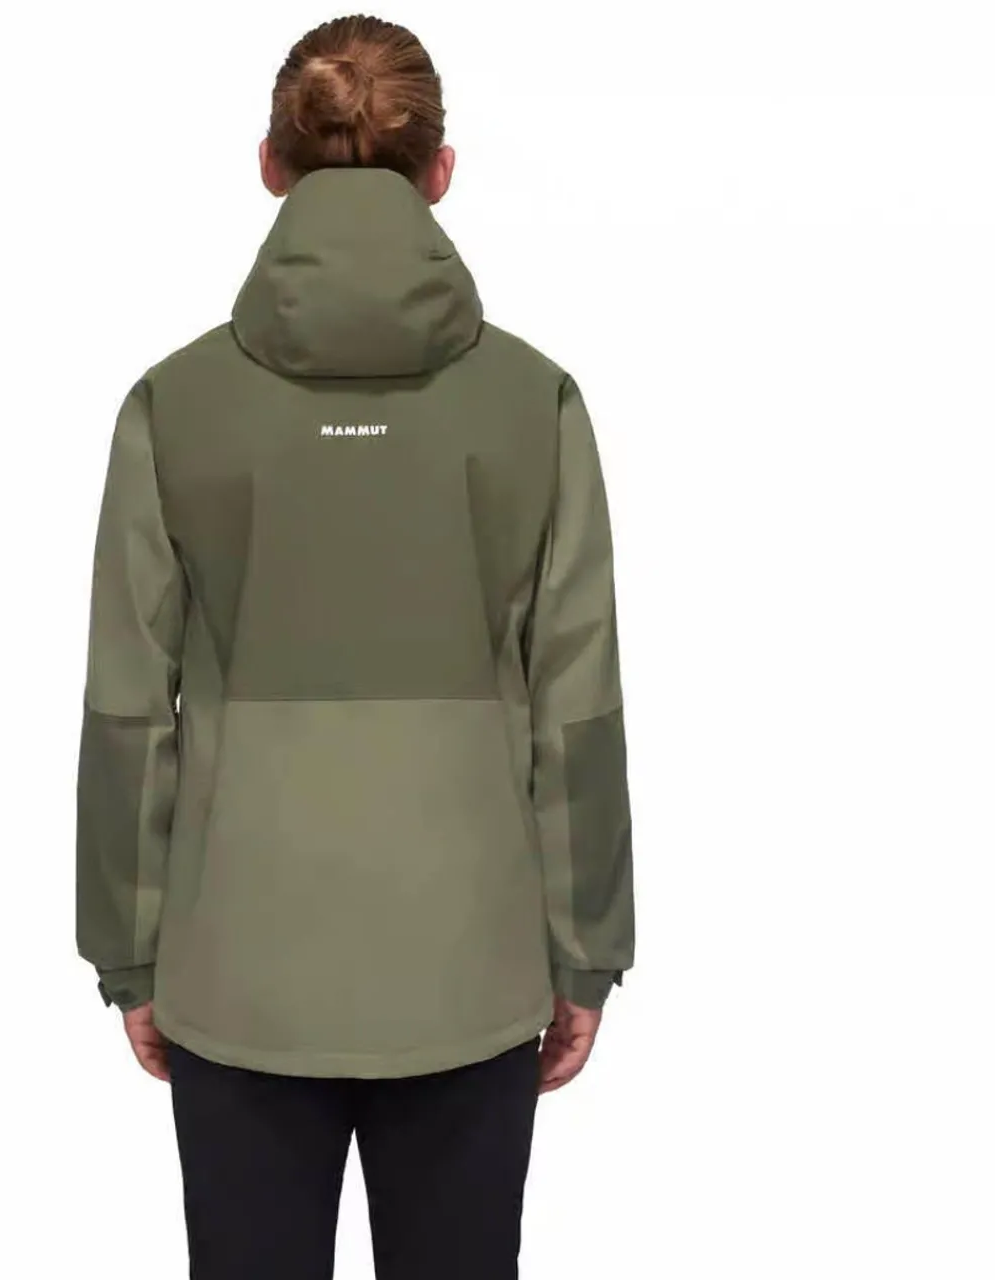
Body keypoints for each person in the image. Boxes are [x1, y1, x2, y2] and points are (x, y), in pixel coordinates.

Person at [75, 14, 635, 1279]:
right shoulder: (535, 403)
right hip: (468, 968)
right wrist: (586, 948)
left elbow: (128, 710)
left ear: (268, 165)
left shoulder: (173, 405)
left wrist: (127, 948)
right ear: (440, 171)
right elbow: (577, 707)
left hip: (237, 966)